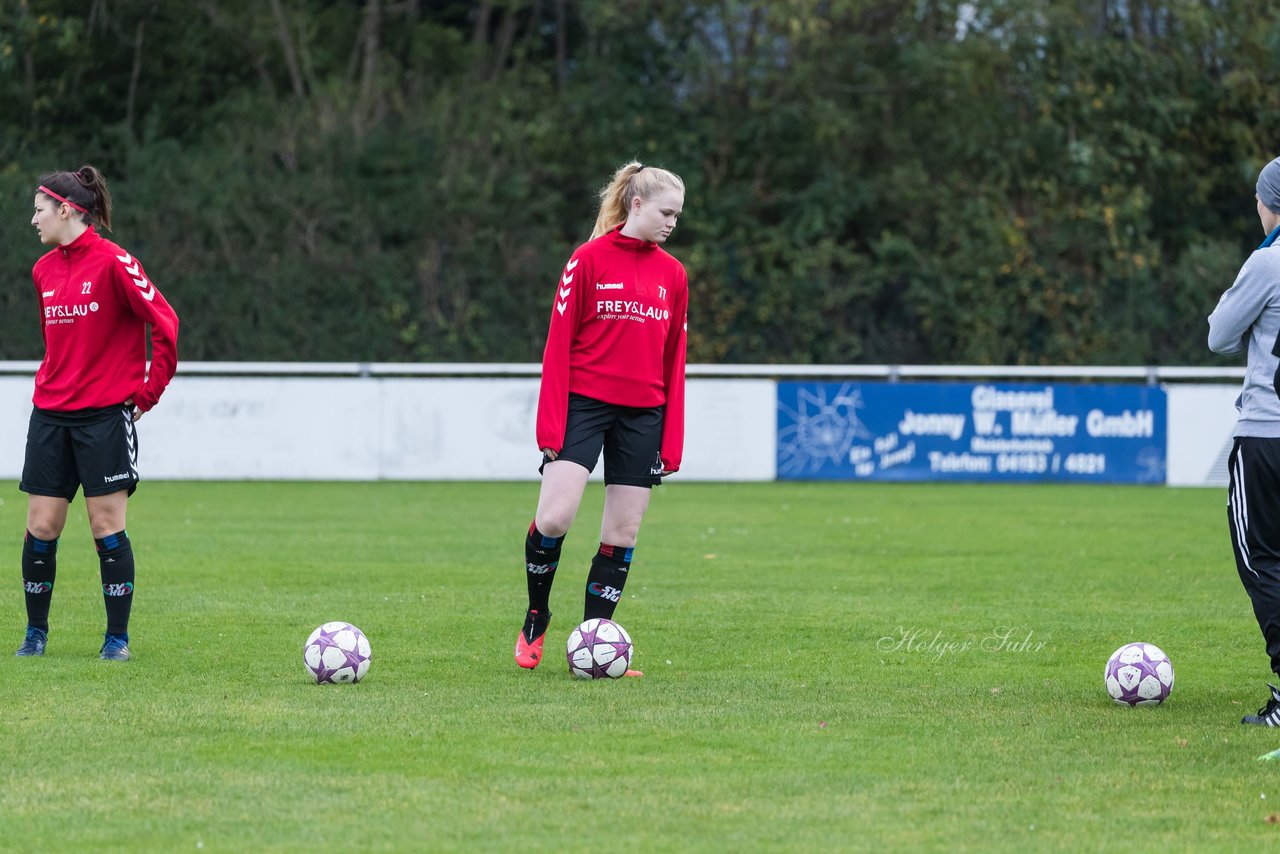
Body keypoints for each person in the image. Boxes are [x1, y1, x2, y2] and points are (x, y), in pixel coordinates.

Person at [514, 161, 688, 675]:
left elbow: (674, 359)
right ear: (636, 205)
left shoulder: (673, 274)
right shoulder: (587, 260)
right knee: (554, 518)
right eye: (665, 212)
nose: (672, 223)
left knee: (623, 533)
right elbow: (557, 346)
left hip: (644, 414)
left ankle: (595, 641)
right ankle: (536, 616)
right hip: (583, 406)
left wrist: (670, 441)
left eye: (678, 215)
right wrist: (550, 427)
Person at [17, 166, 180, 661]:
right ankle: (35, 635)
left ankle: (116, 640)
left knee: (105, 526)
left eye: (39, 210)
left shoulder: (116, 263)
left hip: (103, 418)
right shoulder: (43, 269)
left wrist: (145, 394)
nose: (33, 220)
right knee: (42, 526)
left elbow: (166, 324)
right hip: (49, 415)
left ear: (66, 209)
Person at [1209, 155, 1280, 724]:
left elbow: (1218, 336)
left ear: (1268, 203)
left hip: (1266, 434)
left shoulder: (1267, 261)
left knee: (1262, 561)